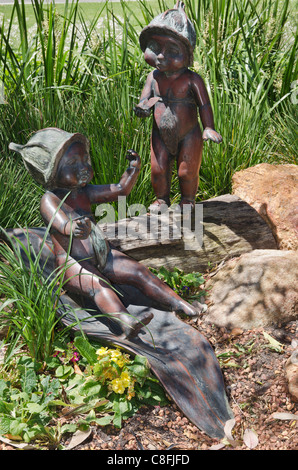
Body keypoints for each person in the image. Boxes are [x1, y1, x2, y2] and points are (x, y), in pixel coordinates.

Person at [9, 127, 206, 339]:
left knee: (139, 271)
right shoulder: (50, 200)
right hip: (73, 263)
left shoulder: (85, 192)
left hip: (103, 255)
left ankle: (179, 303)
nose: (83, 167)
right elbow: (63, 224)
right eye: (73, 163)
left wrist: (133, 170)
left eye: (85, 160)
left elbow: (120, 190)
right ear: (51, 172)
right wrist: (74, 229)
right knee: (98, 285)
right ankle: (126, 321)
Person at [134, 1, 222, 210]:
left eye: (172, 50)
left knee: (187, 171)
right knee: (158, 169)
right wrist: (143, 107)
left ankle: (188, 200)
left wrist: (208, 127)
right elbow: (144, 100)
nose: (161, 56)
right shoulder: (153, 78)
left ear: (187, 55)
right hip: (160, 134)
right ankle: (162, 199)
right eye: (155, 48)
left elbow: (204, 105)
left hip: (188, 134)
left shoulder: (192, 79)